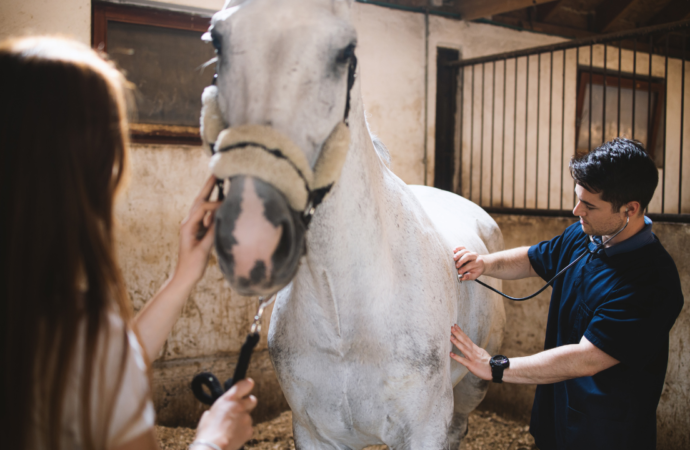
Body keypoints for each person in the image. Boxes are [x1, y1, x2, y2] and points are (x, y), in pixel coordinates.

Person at [0, 37, 255, 450]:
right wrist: (214, 439)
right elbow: (101, 360)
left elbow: (105, 364)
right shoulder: (85, 331)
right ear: (94, 166)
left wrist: (183, 275)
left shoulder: (41, 321)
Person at [449, 138, 684, 450]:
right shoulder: (587, 234)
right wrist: (484, 263)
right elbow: (535, 258)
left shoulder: (651, 281)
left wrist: (495, 367)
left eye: (589, 205)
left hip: (605, 432)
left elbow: (587, 358)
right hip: (556, 411)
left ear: (630, 209)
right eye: (578, 199)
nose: (577, 211)